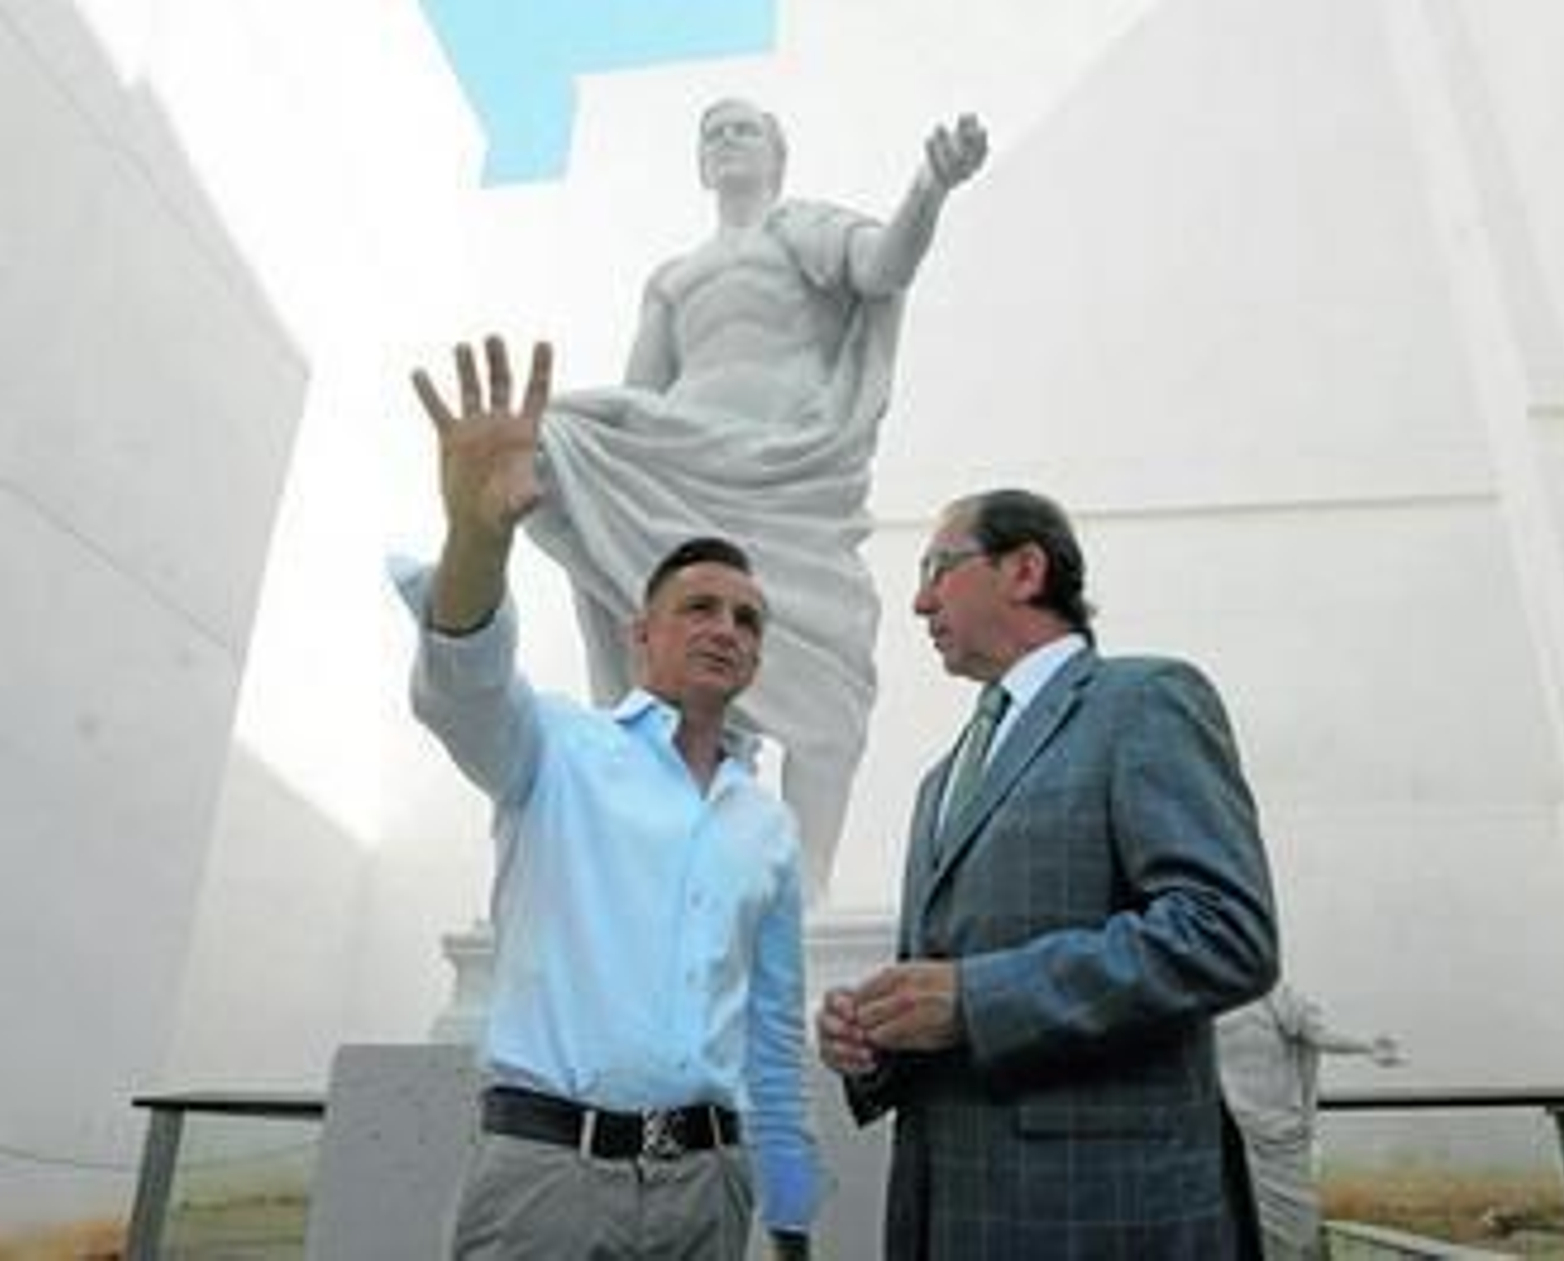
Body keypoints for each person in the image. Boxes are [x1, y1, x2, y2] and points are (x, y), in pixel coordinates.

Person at [397, 335, 821, 1259]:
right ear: (641, 634)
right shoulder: (554, 746)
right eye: (699, 607)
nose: (726, 628)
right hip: (547, 1184)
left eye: (747, 619)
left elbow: (774, 1028)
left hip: (710, 1191)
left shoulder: (768, 826)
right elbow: (461, 684)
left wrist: (787, 1209)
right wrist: (479, 535)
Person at [521, 98, 988, 899]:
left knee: (831, 687)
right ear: (702, 165)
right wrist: (582, 457)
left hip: (791, 484)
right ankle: (665, 864)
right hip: (683, 477)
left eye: (744, 129)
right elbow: (641, 394)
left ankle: (803, 892)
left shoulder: (800, 230)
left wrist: (929, 187)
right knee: (551, 442)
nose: (727, 140)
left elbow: (882, 267)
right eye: (713, 133)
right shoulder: (672, 277)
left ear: (777, 155)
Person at [816, 487, 1281, 1259]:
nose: (919, 601)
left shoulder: (1144, 701)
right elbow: (943, 982)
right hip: (950, 1211)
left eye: (938, 568)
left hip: (1104, 1210)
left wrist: (975, 998)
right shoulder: (941, 779)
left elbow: (1226, 932)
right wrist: (879, 1034)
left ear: (1025, 568)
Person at [1217, 982, 1405, 1259]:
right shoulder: (1207, 992)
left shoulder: (1275, 995)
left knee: (1295, 1222)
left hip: (1279, 1129)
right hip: (1231, 1128)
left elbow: (1319, 1034)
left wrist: (1366, 1046)